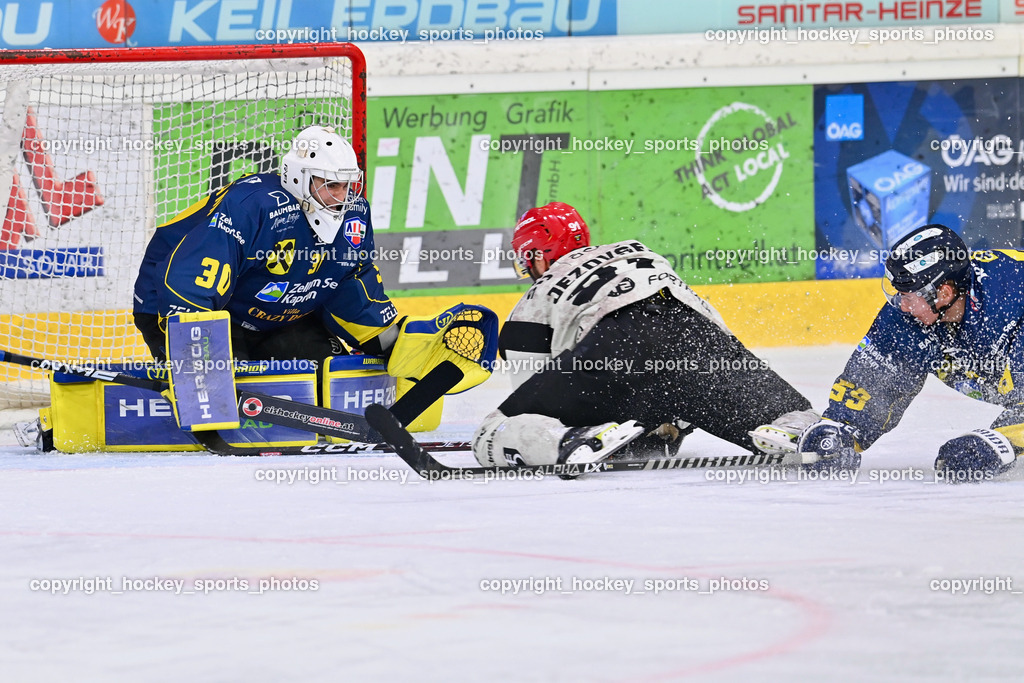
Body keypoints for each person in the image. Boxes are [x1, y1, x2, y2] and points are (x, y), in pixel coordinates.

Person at [471, 201, 816, 468]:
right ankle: (808, 431)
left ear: (538, 255)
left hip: (614, 354)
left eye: (526, 259)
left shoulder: (535, 297)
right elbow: (708, 320)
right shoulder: (639, 253)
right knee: (780, 424)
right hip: (695, 341)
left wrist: (553, 423)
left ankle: (573, 442)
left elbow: (533, 398)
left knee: (492, 431)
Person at [754, 223, 1024, 480]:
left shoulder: (1012, 301)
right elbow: (876, 381)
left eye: (909, 295)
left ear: (943, 293)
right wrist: (840, 429)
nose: (901, 305)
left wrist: (1002, 441)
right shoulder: (908, 315)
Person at [133, 125, 398, 363]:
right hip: (180, 306)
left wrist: (395, 343)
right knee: (221, 396)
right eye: (331, 185)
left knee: (327, 376)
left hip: (275, 320)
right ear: (299, 178)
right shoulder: (254, 206)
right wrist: (196, 357)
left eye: (347, 185)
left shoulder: (354, 215)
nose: (340, 197)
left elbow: (350, 285)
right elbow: (192, 279)